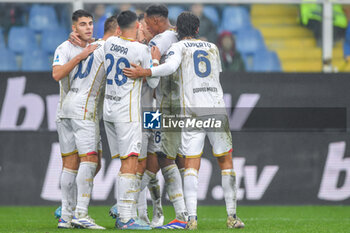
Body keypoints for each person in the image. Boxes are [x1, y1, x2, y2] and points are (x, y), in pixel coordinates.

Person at [123, 11, 245, 230]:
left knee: (190, 165)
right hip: (216, 109)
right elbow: (214, 75)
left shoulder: (177, 48)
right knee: (226, 161)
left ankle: (191, 218)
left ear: (177, 31)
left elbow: (169, 68)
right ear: (198, 30)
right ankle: (233, 216)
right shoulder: (212, 48)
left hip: (191, 112)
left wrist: (146, 71)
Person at [52, 10, 119, 229]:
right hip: (82, 110)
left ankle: (66, 215)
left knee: (72, 164)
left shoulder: (93, 45)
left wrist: (86, 47)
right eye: (83, 24)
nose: (88, 27)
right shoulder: (66, 47)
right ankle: (80, 213)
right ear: (74, 28)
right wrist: (80, 55)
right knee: (89, 161)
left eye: (90, 23)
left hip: (68, 109)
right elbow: (56, 74)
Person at [107, 12, 165, 228]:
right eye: (144, 27)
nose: (147, 31)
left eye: (150, 28)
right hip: (134, 112)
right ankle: (133, 212)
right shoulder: (142, 49)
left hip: (153, 112)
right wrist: (154, 61)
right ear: (139, 26)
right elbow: (153, 81)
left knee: (157, 160)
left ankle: (134, 207)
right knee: (136, 161)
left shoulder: (156, 43)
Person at [142, 4, 189, 229]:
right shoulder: (176, 37)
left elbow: (151, 80)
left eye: (146, 22)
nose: (144, 25)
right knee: (160, 155)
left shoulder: (159, 42)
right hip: (166, 105)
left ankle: (169, 211)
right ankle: (159, 210)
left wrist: (146, 68)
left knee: (157, 156)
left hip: (159, 107)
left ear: (156, 22)